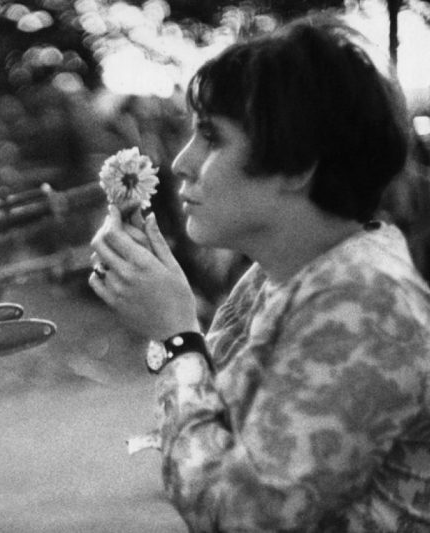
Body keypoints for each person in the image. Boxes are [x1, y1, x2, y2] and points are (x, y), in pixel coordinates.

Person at [89, 15, 430, 530]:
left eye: (211, 137)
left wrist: (175, 338)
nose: (182, 161)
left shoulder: (366, 299)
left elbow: (245, 517)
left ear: (298, 165)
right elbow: (217, 436)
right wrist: (168, 317)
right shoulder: (278, 277)